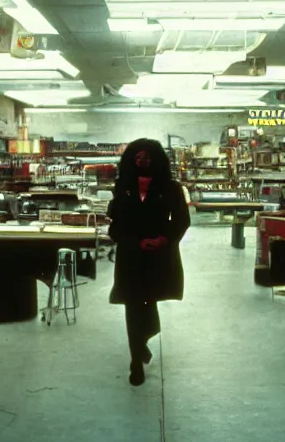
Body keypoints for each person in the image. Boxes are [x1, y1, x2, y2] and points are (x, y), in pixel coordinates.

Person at [107, 138, 191, 386]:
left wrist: (163, 239)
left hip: (159, 255)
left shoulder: (172, 187)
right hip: (131, 256)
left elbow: (182, 220)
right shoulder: (123, 187)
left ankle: (143, 340)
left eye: (147, 157)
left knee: (148, 302)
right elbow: (116, 226)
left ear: (156, 160)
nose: (143, 161)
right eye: (138, 157)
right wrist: (135, 242)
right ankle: (135, 362)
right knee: (133, 305)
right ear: (132, 160)